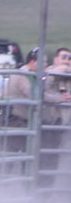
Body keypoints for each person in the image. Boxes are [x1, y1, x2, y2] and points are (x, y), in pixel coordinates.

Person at [39, 47, 71, 187]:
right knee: (47, 158)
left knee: (59, 158)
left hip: (65, 124)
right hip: (50, 122)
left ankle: (56, 190)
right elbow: (42, 88)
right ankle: (43, 190)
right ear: (56, 59)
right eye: (63, 57)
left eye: (69, 59)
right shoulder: (49, 74)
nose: (67, 61)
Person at [2, 46, 39, 153]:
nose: (45, 65)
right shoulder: (24, 75)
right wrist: (58, 98)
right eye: (43, 62)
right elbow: (35, 95)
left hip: (11, 118)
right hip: (15, 119)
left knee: (12, 150)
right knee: (23, 149)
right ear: (33, 62)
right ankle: (25, 169)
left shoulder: (25, 74)